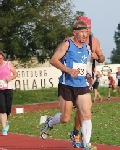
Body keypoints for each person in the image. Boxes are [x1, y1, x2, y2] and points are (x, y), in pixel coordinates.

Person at [40, 21, 96, 150]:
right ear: (74, 32)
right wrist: (69, 70)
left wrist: (88, 76)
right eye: (82, 32)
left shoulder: (87, 47)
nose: (85, 35)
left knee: (86, 113)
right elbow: (53, 60)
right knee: (65, 118)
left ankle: (86, 144)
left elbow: (86, 65)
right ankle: (50, 122)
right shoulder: (67, 45)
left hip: (82, 85)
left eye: (86, 32)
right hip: (67, 85)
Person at [69, 16, 105, 148]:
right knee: (70, 113)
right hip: (72, 79)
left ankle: (80, 135)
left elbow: (102, 58)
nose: (87, 31)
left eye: (89, 28)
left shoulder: (94, 41)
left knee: (84, 109)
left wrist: (98, 57)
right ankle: (75, 131)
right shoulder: (69, 42)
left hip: (87, 78)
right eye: (84, 29)